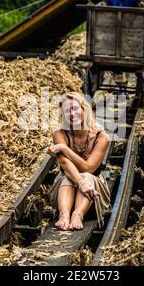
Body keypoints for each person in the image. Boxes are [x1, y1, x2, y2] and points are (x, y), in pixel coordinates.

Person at [47, 92, 110, 231]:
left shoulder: (101, 137)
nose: (71, 114)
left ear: (84, 109)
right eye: (66, 111)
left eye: (75, 108)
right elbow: (65, 163)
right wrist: (80, 183)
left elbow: (88, 168)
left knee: (86, 176)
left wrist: (64, 148)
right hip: (67, 188)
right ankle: (64, 214)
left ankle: (78, 214)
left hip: (93, 193)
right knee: (68, 176)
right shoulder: (60, 134)